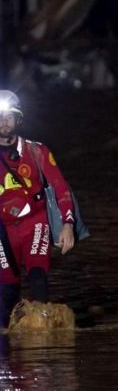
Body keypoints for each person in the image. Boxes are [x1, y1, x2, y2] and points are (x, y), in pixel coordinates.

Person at [0, 90, 77, 328]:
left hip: (35, 222)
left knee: (37, 277)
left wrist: (67, 224)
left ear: (19, 119)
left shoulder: (37, 151)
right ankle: (7, 357)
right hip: (2, 231)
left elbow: (60, 187)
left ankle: (41, 350)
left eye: (9, 116)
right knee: (6, 290)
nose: (4, 122)